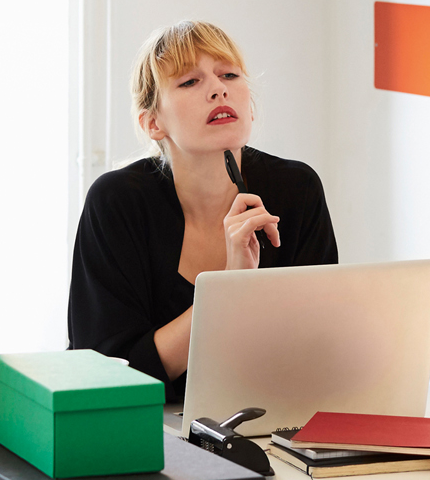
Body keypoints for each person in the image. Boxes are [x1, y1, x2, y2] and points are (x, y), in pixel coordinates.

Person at [67, 21, 338, 402]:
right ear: (153, 122)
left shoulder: (297, 188)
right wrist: (228, 288)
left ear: (250, 107)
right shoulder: (116, 202)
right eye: (189, 82)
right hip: (141, 431)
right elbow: (105, 374)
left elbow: (318, 349)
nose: (218, 88)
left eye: (229, 74)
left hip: (270, 423)